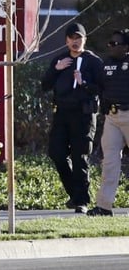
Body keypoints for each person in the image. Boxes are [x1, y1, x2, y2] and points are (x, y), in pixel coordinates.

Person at [40, 22, 104, 214]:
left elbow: (101, 88)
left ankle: (81, 201)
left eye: (78, 38)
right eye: (71, 38)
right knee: (56, 153)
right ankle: (75, 194)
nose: (75, 42)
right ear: (66, 40)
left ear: (85, 39)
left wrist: (84, 83)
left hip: (84, 114)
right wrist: (56, 69)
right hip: (62, 113)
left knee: (80, 156)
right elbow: (45, 85)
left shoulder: (93, 62)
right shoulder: (59, 60)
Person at [88, 29, 129, 216]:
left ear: (126, 47)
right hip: (112, 118)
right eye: (110, 43)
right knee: (110, 162)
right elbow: (100, 87)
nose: (111, 46)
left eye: (115, 44)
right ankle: (104, 206)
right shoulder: (107, 64)